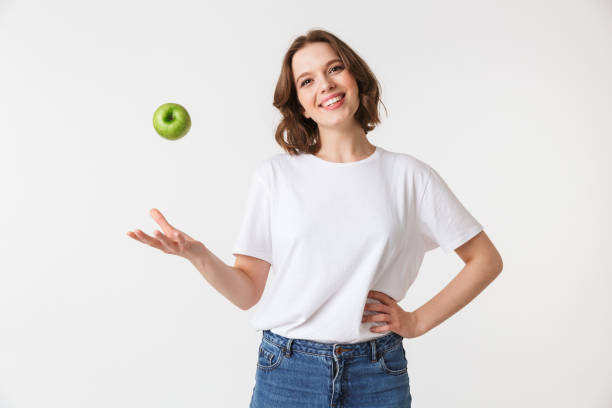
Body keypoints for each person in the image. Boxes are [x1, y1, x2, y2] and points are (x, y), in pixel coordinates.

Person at [127, 29, 503, 408]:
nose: (325, 85)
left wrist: (418, 321)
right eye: (307, 81)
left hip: (377, 373)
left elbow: (485, 260)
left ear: (357, 79)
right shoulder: (275, 177)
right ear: (301, 106)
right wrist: (199, 255)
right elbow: (247, 293)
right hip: (288, 372)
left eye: (335, 68)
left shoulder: (410, 176)